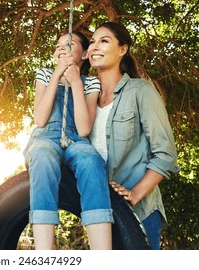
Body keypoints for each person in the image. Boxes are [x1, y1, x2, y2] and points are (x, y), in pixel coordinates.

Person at [87, 22, 180, 250]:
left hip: (140, 211)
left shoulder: (141, 91)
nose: (94, 47)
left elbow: (166, 154)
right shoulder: (83, 98)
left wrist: (135, 193)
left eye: (104, 40)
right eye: (91, 42)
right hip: (100, 214)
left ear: (123, 50)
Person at [23, 31, 114, 250]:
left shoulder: (90, 83)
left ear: (84, 55)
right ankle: (45, 252)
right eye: (57, 45)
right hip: (46, 136)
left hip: (76, 140)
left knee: (91, 161)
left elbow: (83, 129)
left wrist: (75, 83)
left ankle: (102, 252)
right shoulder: (45, 74)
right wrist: (57, 75)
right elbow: (41, 119)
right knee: (42, 156)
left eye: (69, 45)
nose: (61, 49)